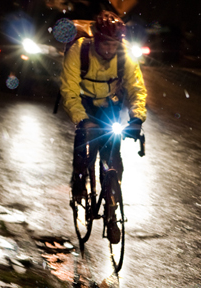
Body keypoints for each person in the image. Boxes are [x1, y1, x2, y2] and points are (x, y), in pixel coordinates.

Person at [59, 10, 147, 244]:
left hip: (110, 107)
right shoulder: (80, 50)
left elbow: (137, 88)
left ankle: (112, 213)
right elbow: (68, 90)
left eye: (113, 44)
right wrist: (81, 119)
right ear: (95, 39)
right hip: (85, 105)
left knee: (113, 160)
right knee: (83, 150)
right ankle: (79, 183)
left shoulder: (124, 54)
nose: (109, 50)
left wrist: (137, 118)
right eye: (104, 44)